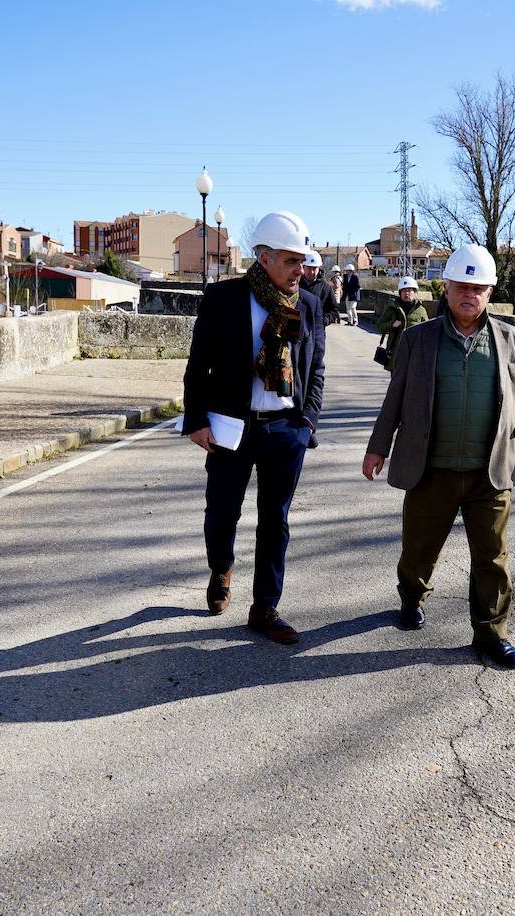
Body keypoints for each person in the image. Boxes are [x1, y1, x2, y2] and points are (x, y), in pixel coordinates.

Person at [362, 244, 515, 670]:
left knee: (493, 559)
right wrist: (377, 448)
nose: (469, 294)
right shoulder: (416, 340)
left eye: (478, 287)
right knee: (418, 551)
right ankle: (411, 596)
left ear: (489, 292)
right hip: (432, 471)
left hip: (490, 471)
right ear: (445, 289)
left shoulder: (512, 340)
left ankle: (491, 634)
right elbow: (396, 398)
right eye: (461, 286)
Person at [181, 210, 325, 645]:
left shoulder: (308, 304)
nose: (301, 269)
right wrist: (195, 420)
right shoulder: (223, 299)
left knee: (274, 521)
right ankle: (221, 566)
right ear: (263, 259)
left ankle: (265, 607)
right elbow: (198, 364)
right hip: (230, 426)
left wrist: (308, 422)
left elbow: (314, 367)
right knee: (221, 512)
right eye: (290, 260)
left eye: (303, 261)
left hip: (285, 428)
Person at [376, 275, 429, 370]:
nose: (407, 293)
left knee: (412, 384)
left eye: (409, 290)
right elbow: (379, 326)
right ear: (400, 293)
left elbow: (428, 333)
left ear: (415, 293)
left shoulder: (421, 311)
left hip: (414, 355)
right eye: (404, 291)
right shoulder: (392, 308)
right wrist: (392, 325)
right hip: (395, 355)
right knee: (396, 384)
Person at [300, 250, 337, 327]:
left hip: (317, 333)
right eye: (309, 268)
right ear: (303, 266)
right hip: (298, 331)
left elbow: (334, 311)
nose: (312, 272)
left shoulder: (326, 287)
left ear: (319, 268)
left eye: (314, 268)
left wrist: (323, 321)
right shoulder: (295, 284)